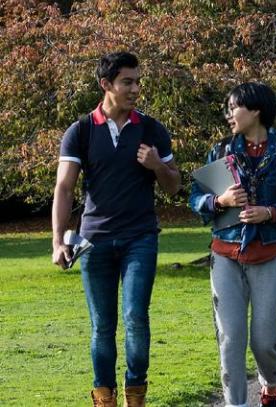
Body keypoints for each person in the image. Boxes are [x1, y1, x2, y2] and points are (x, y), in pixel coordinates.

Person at [51, 52, 181, 406]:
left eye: (138, 81)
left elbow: (174, 185)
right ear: (106, 85)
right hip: (94, 242)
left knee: (136, 318)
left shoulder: (152, 129)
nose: (135, 88)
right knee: (102, 327)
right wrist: (57, 242)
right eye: (128, 82)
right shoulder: (80, 131)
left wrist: (156, 165)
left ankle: (135, 395)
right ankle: (104, 399)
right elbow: (64, 188)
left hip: (141, 237)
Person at [189, 82, 276, 407]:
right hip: (225, 255)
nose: (229, 114)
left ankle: (270, 386)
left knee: (265, 342)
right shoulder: (218, 152)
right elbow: (195, 199)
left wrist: (271, 213)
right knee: (230, 340)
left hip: (274, 254)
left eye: (234, 107)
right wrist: (219, 200)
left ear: (255, 110)